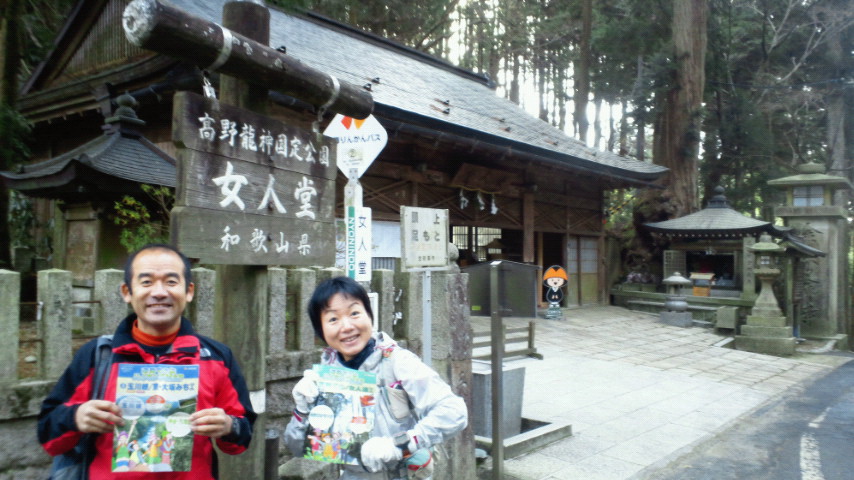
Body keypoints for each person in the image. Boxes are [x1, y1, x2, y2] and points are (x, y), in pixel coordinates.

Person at [38, 243, 256, 479]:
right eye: (146, 282)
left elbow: (241, 438)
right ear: (127, 292)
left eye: (171, 282)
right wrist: (75, 417)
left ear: (189, 291)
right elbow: (48, 436)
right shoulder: (97, 356)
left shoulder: (216, 358)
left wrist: (228, 426)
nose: (159, 292)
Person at [284, 276, 467, 479]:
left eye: (354, 313)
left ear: (369, 316)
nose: (346, 327)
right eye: (333, 319)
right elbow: (299, 449)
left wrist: (401, 444)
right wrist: (301, 411)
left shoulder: (398, 362)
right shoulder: (326, 377)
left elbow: (454, 412)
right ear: (321, 331)